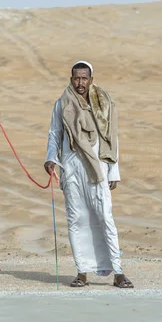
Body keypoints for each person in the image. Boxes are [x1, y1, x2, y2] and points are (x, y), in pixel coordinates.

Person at [44, 61, 134, 288]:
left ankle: (118, 271)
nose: (80, 83)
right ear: (71, 79)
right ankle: (82, 272)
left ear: (91, 80)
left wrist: (114, 170)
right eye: (76, 78)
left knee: (105, 217)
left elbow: (112, 138)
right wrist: (51, 158)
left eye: (84, 78)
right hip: (72, 167)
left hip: (99, 168)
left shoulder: (104, 104)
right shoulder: (62, 103)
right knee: (76, 219)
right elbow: (55, 133)